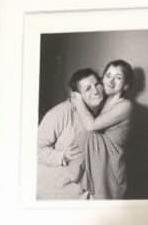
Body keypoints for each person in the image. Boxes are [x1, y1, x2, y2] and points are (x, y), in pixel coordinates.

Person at [36, 68, 104, 199]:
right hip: (56, 191)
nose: (96, 91)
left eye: (97, 84)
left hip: (85, 190)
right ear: (76, 95)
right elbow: (35, 149)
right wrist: (62, 156)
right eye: (88, 89)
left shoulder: (103, 114)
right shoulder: (61, 113)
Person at [71, 59, 134, 199]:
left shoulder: (125, 105)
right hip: (98, 156)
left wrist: (79, 100)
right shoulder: (102, 100)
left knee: (84, 133)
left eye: (118, 78)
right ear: (102, 78)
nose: (111, 81)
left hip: (111, 161)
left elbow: (91, 126)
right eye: (108, 76)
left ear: (126, 85)